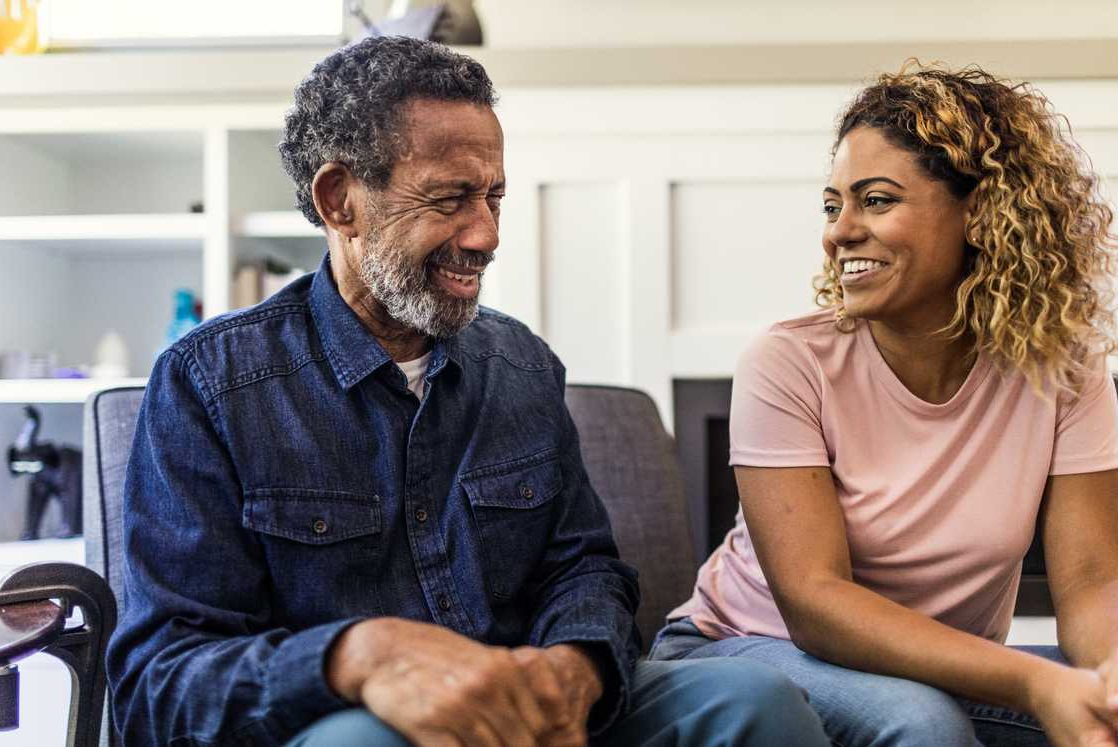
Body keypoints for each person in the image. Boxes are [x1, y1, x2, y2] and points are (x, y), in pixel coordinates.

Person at [106, 36, 830, 747]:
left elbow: (584, 569)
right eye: (451, 198)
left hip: (529, 720)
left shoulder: (523, 366)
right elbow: (159, 684)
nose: (485, 235)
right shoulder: (211, 383)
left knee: (754, 703)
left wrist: (574, 665)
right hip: (345, 724)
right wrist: (357, 658)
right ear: (340, 201)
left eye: (494, 197)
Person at [651, 63, 1118, 747]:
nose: (839, 231)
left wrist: (1109, 673)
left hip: (935, 670)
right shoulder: (788, 362)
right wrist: (1029, 681)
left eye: (874, 200)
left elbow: (1094, 583)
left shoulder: (1064, 370)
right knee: (923, 722)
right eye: (832, 205)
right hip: (745, 651)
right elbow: (815, 602)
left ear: (981, 214)